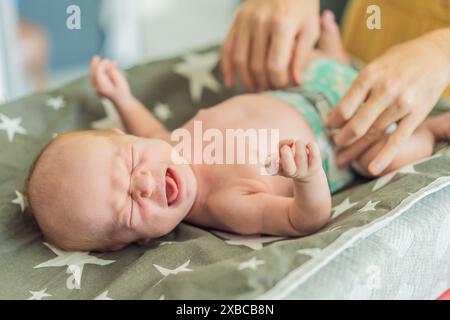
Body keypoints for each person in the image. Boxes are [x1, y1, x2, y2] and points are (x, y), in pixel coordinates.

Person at [25, 15, 450, 252]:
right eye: (130, 209)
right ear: (133, 241)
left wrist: (121, 96)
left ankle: (340, 59)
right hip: (349, 138)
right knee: (389, 156)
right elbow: (303, 220)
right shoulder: (221, 204)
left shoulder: (171, 146)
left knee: (296, 58)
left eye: (132, 160)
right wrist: (306, 178)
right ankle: (433, 126)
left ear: (128, 138)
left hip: (305, 85)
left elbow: (152, 130)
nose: (143, 182)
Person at [222, 0, 450, 176]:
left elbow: (306, 218)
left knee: (380, 154)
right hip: (367, 36)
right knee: (289, 55)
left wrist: (441, 50)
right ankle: (338, 62)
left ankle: (429, 129)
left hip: (414, 104)